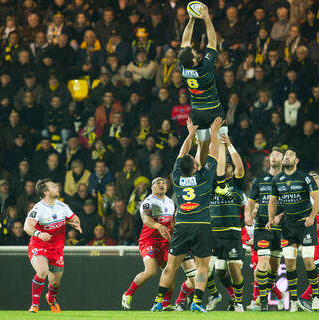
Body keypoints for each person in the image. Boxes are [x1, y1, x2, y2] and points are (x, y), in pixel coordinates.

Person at [151, 117, 223, 312]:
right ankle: (197, 303)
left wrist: (190, 134)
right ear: (194, 167)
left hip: (182, 225)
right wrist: (214, 133)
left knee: (171, 267)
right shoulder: (204, 177)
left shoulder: (176, 177)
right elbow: (214, 153)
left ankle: (158, 302)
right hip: (201, 225)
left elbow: (181, 154)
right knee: (202, 268)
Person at [268, 148, 319, 312]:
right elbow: (273, 201)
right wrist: (271, 218)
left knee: (308, 261)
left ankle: (316, 297)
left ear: (296, 161)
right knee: (289, 264)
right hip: (288, 227)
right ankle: (295, 301)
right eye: (286, 155)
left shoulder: (305, 176)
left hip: (305, 225)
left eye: (291, 155)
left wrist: (312, 217)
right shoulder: (277, 179)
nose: (287, 157)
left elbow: (317, 197)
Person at [23, 179, 82, 313]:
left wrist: (75, 222)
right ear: (46, 192)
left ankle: (51, 299)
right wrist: (38, 233)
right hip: (39, 246)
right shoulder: (38, 209)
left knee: (55, 282)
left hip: (57, 249)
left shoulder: (62, 206)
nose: (57, 187)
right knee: (42, 271)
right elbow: (27, 226)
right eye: (53, 186)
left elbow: (75, 217)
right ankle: (34, 305)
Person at [121, 177, 175, 310]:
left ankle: (165, 304)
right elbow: (146, 219)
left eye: (164, 183)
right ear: (152, 187)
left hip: (165, 242)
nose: (162, 185)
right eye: (158, 183)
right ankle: (128, 294)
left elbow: (171, 222)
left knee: (170, 272)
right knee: (151, 271)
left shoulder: (170, 202)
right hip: (149, 241)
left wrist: (173, 236)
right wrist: (159, 226)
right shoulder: (148, 202)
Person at [178, 5, 225, 147]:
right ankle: (219, 169)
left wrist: (191, 19)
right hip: (212, 109)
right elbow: (212, 41)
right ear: (193, 60)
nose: (194, 50)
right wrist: (206, 18)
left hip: (197, 112)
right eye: (193, 52)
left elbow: (184, 41)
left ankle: (200, 168)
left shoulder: (182, 67)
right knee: (220, 146)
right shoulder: (204, 68)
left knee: (201, 148)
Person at [245, 147, 285, 311]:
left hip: (281, 228)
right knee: (262, 264)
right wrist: (248, 214)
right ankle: (261, 303)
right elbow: (251, 201)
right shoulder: (259, 180)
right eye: (272, 155)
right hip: (262, 225)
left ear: (283, 160)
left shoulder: (289, 181)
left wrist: (280, 215)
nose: (274, 157)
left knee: (274, 269)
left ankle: (270, 297)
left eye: (278, 155)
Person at [209, 135, 245, 312]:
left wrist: (229, 146)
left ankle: (238, 302)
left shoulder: (237, 185)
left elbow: (239, 167)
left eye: (227, 166)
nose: (225, 168)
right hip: (214, 234)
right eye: (223, 165)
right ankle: (218, 295)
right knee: (216, 272)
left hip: (232, 233)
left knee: (233, 268)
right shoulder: (211, 184)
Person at [298, 171, 319, 310]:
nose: (315, 181)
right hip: (312, 238)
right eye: (312, 179)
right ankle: (305, 297)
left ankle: (306, 297)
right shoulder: (305, 199)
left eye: (317, 178)